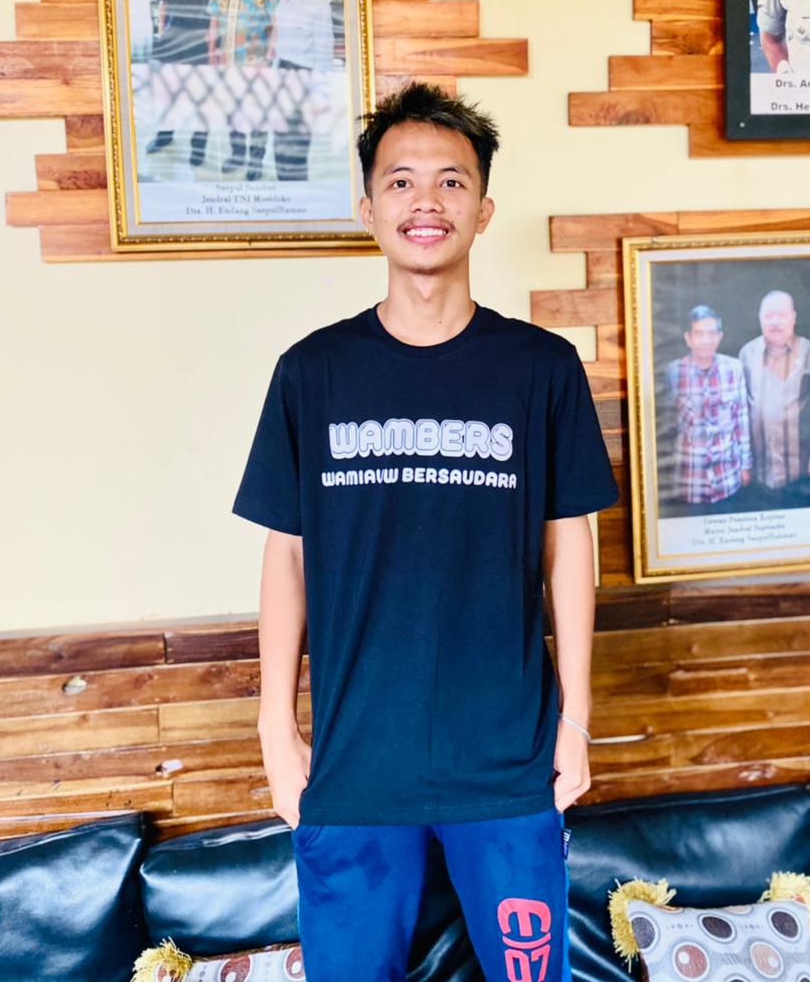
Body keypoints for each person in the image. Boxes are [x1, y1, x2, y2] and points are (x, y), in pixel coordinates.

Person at [232, 82, 618, 982]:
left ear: (484, 209)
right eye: (401, 182)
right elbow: (286, 553)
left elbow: (569, 547)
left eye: (452, 181)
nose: (426, 202)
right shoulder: (312, 374)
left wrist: (576, 720)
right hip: (355, 765)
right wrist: (276, 728)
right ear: (367, 209)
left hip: (510, 762)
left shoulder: (541, 369)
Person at [739, 291, 810, 510]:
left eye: (781, 315)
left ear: (793, 317)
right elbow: (738, 409)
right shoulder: (746, 355)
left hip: (800, 470)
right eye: (768, 316)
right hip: (758, 472)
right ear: (760, 318)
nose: (775, 322)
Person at [206, 0, 281, 177]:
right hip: (227, 61)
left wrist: (268, 58)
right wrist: (212, 53)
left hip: (257, 63)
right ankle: (237, 154)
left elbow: (277, 24)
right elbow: (214, 19)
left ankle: (256, 160)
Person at [662, 305, 752, 510]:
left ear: (720, 337)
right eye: (699, 334)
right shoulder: (673, 372)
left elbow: (742, 421)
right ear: (688, 338)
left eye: (712, 333)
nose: (706, 340)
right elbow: (664, 426)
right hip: (689, 480)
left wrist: (745, 466)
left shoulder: (734, 368)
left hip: (727, 477)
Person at [145, 0, 219, 166]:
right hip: (174, 39)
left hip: (201, 41)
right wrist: (162, 35)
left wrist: (212, 46)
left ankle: (198, 148)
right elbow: (163, 6)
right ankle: (164, 137)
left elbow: (216, 14)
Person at [263, 0, 335, 182]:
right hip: (281, 73)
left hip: (305, 76)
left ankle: (297, 185)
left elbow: (324, 46)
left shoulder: (317, 0)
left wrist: (320, 91)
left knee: (297, 139)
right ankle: (284, 184)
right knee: (280, 134)